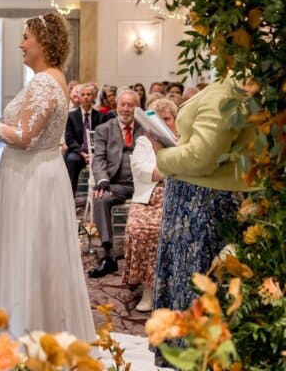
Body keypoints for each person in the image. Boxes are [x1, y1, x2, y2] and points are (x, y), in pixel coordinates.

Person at [0, 12, 96, 348]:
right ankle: (41, 329)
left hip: (30, 176)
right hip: (42, 171)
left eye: (26, 37)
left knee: (29, 254)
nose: (20, 44)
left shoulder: (45, 82)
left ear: (43, 42)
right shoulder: (55, 77)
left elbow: (26, 137)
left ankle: (28, 338)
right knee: (42, 255)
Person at [150, 77, 259, 362]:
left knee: (198, 293)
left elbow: (201, 157)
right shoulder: (228, 84)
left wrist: (163, 156)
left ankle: (195, 362)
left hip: (202, 208)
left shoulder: (230, 90)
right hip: (197, 204)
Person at [122, 98, 178, 312]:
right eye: (160, 120)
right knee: (141, 230)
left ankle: (171, 288)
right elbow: (140, 169)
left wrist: (163, 172)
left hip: (173, 196)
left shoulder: (183, 140)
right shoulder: (144, 141)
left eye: (168, 119)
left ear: (175, 120)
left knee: (168, 230)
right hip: (148, 196)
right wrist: (169, 171)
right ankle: (148, 288)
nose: (164, 124)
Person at [88, 89, 145, 278]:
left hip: (142, 184)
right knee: (100, 198)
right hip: (116, 184)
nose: (126, 109)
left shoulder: (146, 128)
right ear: (116, 106)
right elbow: (98, 159)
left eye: (130, 105)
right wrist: (102, 180)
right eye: (122, 104)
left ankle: (146, 255)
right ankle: (108, 255)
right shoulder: (104, 129)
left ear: (137, 107)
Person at [64, 83, 105, 192]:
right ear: (79, 97)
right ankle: (70, 196)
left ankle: (99, 195)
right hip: (78, 152)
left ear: (94, 97)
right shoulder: (71, 117)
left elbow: (104, 139)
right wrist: (83, 154)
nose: (86, 97)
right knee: (72, 160)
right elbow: (69, 140)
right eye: (83, 94)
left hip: (97, 153)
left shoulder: (101, 117)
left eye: (89, 94)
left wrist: (94, 154)